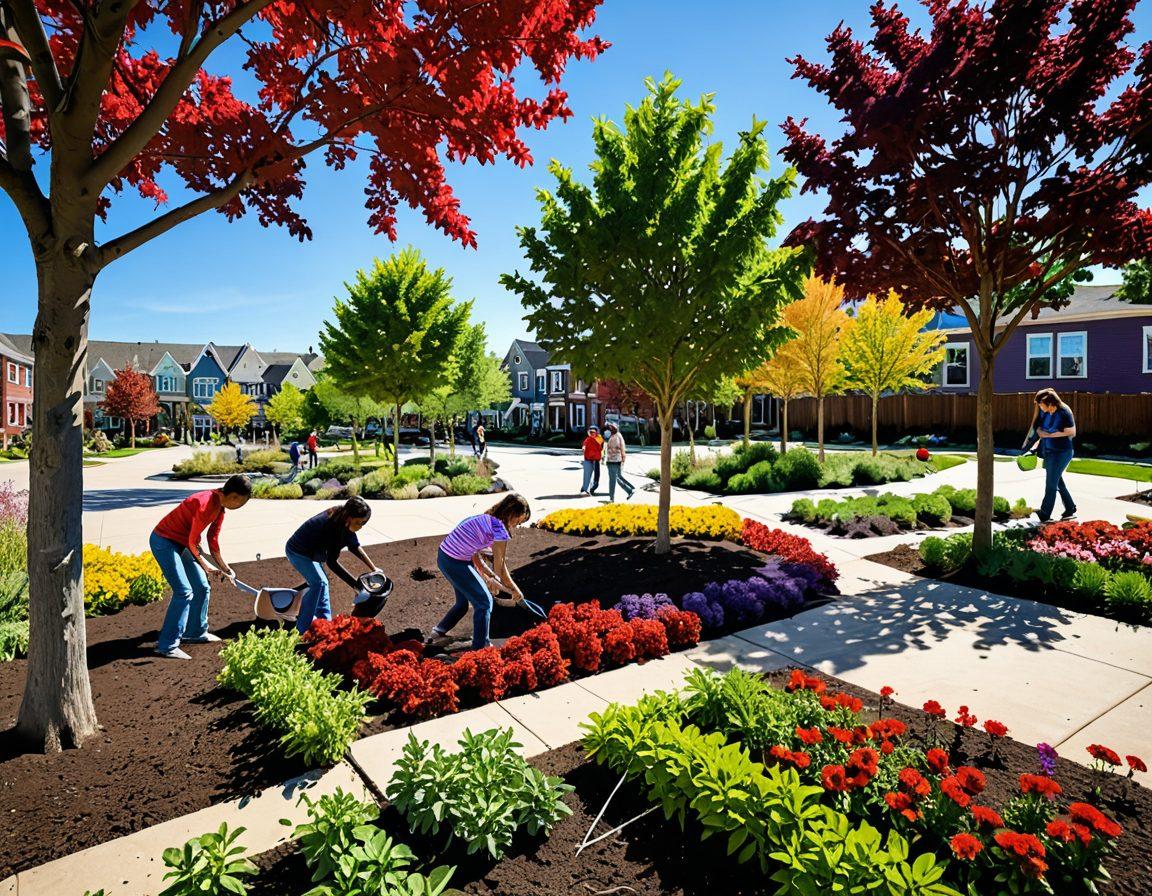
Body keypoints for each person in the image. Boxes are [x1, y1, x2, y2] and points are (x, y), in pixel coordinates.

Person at [151, 474, 252, 659]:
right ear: (234, 496)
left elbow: (212, 541)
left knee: (202, 586)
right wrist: (207, 568)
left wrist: (226, 568)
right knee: (184, 592)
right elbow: (192, 541)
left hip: (182, 543)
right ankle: (167, 645)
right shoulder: (204, 503)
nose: (239, 506)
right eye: (241, 502)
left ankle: (195, 632)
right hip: (164, 541)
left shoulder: (219, 508)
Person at [428, 493, 531, 651]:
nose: (517, 526)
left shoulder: (487, 518)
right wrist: (516, 590)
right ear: (512, 513)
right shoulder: (499, 529)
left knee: (462, 604)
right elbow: (501, 566)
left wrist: (488, 575)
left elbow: (475, 552)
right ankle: (480, 649)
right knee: (484, 602)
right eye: (518, 521)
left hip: (445, 556)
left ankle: (437, 632)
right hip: (456, 562)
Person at [285, 496, 383, 634]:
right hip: (298, 551)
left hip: (313, 553)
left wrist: (374, 569)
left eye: (363, 523)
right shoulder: (332, 526)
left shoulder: (344, 520)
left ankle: (325, 625)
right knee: (317, 583)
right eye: (358, 522)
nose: (360, 526)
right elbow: (332, 563)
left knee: (323, 583)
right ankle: (302, 629)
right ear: (349, 517)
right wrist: (357, 587)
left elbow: (354, 546)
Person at [1023, 388, 1078, 523]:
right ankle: (1070, 508)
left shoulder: (1064, 411)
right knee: (1058, 482)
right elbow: (1039, 429)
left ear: (1050, 403)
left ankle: (1045, 514)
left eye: (1041, 405)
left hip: (1062, 452)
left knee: (1051, 484)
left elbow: (1072, 431)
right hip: (1049, 451)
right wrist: (1033, 447)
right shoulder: (1045, 413)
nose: (1040, 408)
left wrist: (1050, 435)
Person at [604, 422, 636, 501]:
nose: (610, 429)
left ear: (616, 428)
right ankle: (630, 490)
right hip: (614, 460)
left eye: (612, 427)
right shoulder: (615, 436)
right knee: (618, 478)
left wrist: (622, 458)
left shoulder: (616, 436)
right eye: (610, 427)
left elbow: (619, 448)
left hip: (613, 461)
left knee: (612, 480)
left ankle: (612, 498)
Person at [579, 425, 602, 495]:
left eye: (593, 432)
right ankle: (585, 488)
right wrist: (583, 448)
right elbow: (584, 445)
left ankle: (593, 487)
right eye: (590, 432)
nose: (592, 433)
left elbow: (601, 444)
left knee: (596, 476)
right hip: (588, 459)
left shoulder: (599, 439)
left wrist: (596, 436)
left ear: (596, 432)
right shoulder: (588, 439)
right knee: (587, 474)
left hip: (596, 459)